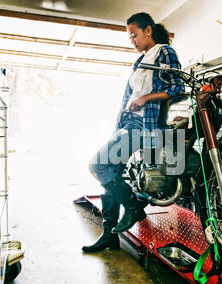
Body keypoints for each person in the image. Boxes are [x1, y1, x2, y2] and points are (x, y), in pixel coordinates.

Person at [82, 12, 185, 253]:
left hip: (144, 125)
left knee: (98, 165)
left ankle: (133, 208)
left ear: (148, 30)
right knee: (110, 174)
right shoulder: (140, 61)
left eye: (134, 35)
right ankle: (109, 235)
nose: (132, 40)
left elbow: (177, 88)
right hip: (128, 124)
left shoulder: (163, 52)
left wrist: (145, 98)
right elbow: (129, 97)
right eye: (130, 37)